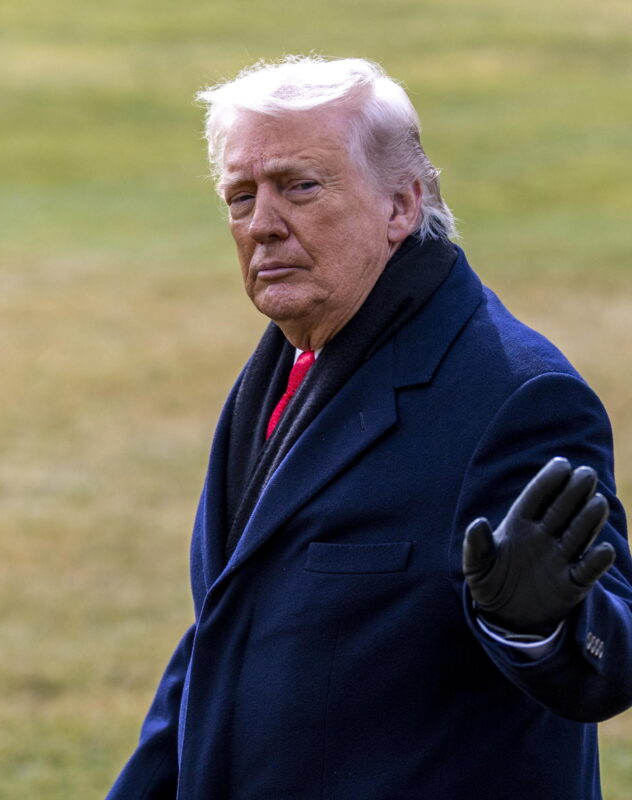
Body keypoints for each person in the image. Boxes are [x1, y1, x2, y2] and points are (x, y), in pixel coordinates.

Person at [107, 56, 632, 799]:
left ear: (402, 205)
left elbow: (611, 659)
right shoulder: (289, 363)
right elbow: (221, 641)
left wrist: (536, 625)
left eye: (300, 187)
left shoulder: (516, 396)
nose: (261, 224)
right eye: (239, 196)